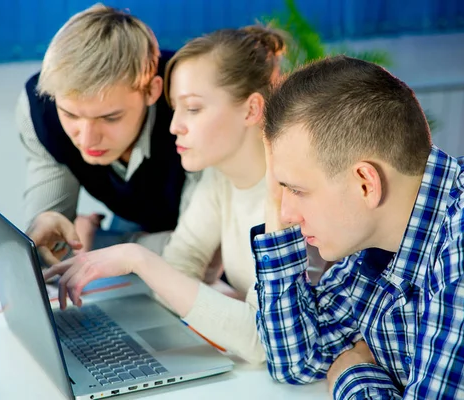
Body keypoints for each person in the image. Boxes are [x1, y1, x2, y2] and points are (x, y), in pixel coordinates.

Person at [253, 55, 464, 399]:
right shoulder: (379, 233)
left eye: (297, 190)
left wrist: (352, 372)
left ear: (365, 184)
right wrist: (274, 198)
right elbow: (296, 360)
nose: (289, 213)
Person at [43, 26, 286, 364]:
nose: (174, 126)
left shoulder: (291, 196)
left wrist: (138, 258)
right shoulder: (219, 180)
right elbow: (176, 272)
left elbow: (268, 339)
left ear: (250, 110)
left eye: (194, 109)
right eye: (176, 109)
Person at [15, 4, 197, 264]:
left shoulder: (194, 104)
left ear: (152, 91)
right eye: (70, 114)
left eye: (110, 117)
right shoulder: (40, 110)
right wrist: (45, 236)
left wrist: (98, 242)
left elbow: (197, 255)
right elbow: (46, 250)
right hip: (140, 225)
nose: (87, 140)